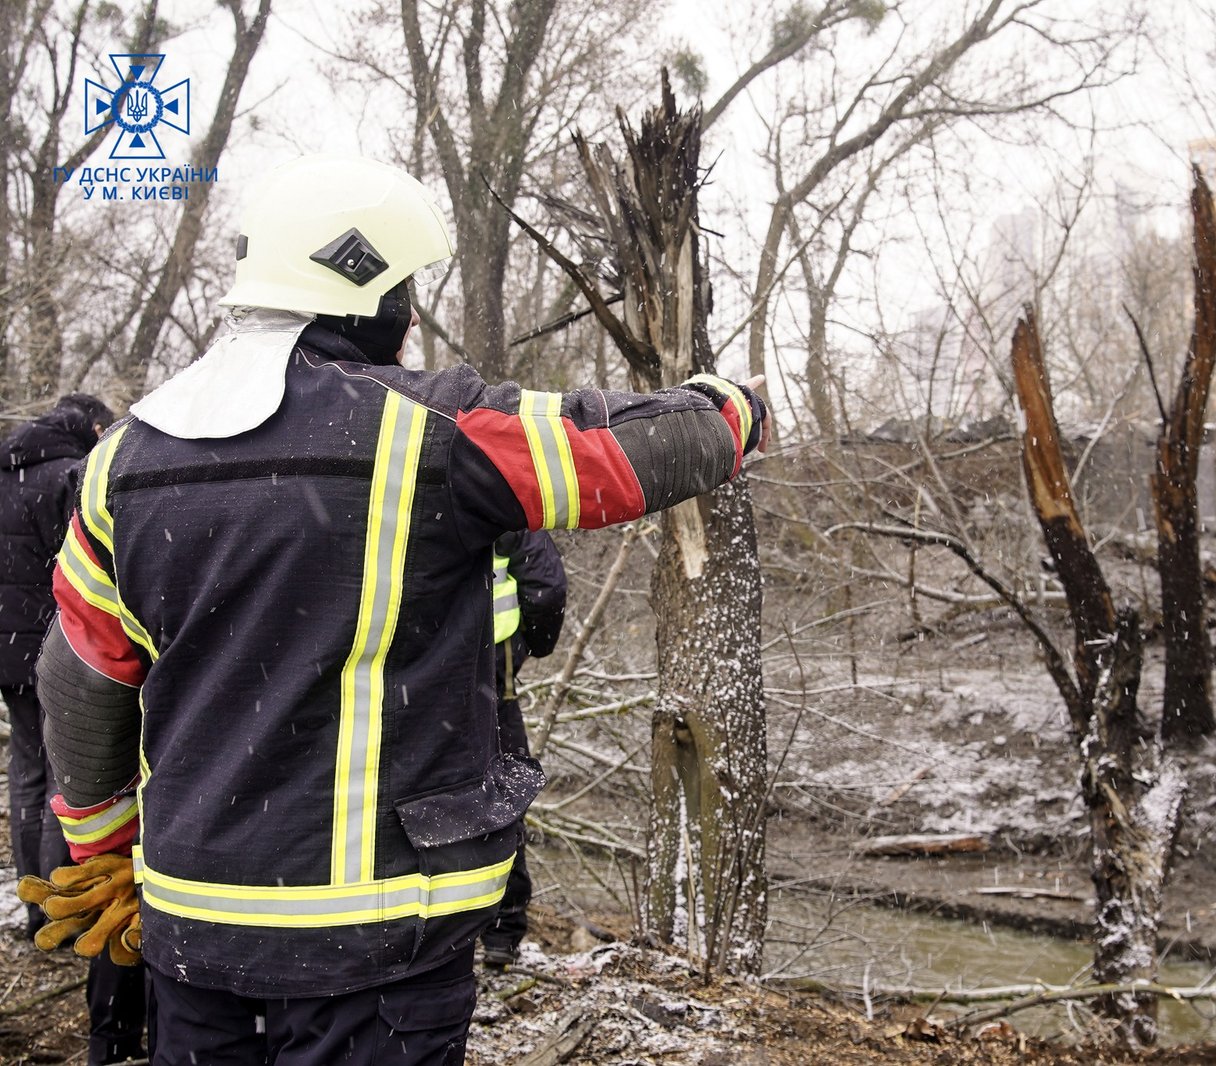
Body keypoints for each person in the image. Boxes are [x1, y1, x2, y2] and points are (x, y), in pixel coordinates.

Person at [26, 155, 767, 1066]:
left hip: (194, 924)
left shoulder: (122, 458)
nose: (411, 320)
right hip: (378, 938)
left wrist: (101, 843)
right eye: (402, 293)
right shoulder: (429, 432)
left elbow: (79, 678)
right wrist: (735, 409)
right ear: (357, 292)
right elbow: (628, 451)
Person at [0, 394, 149, 1065]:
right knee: (73, 778)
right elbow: (90, 574)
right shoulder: (72, 476)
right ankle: (78, 892)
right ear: (90, 427)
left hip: (10, 650)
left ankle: (42, 900)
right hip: (66, 650)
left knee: (28, 773)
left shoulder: (7, 471)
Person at [480, 530, 566, 971]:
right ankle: (502, 930)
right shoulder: (499, 500)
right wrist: (528, 645)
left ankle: (431, 932)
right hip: (493, 673)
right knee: (503, 794)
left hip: (416, 672)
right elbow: (546, 588)